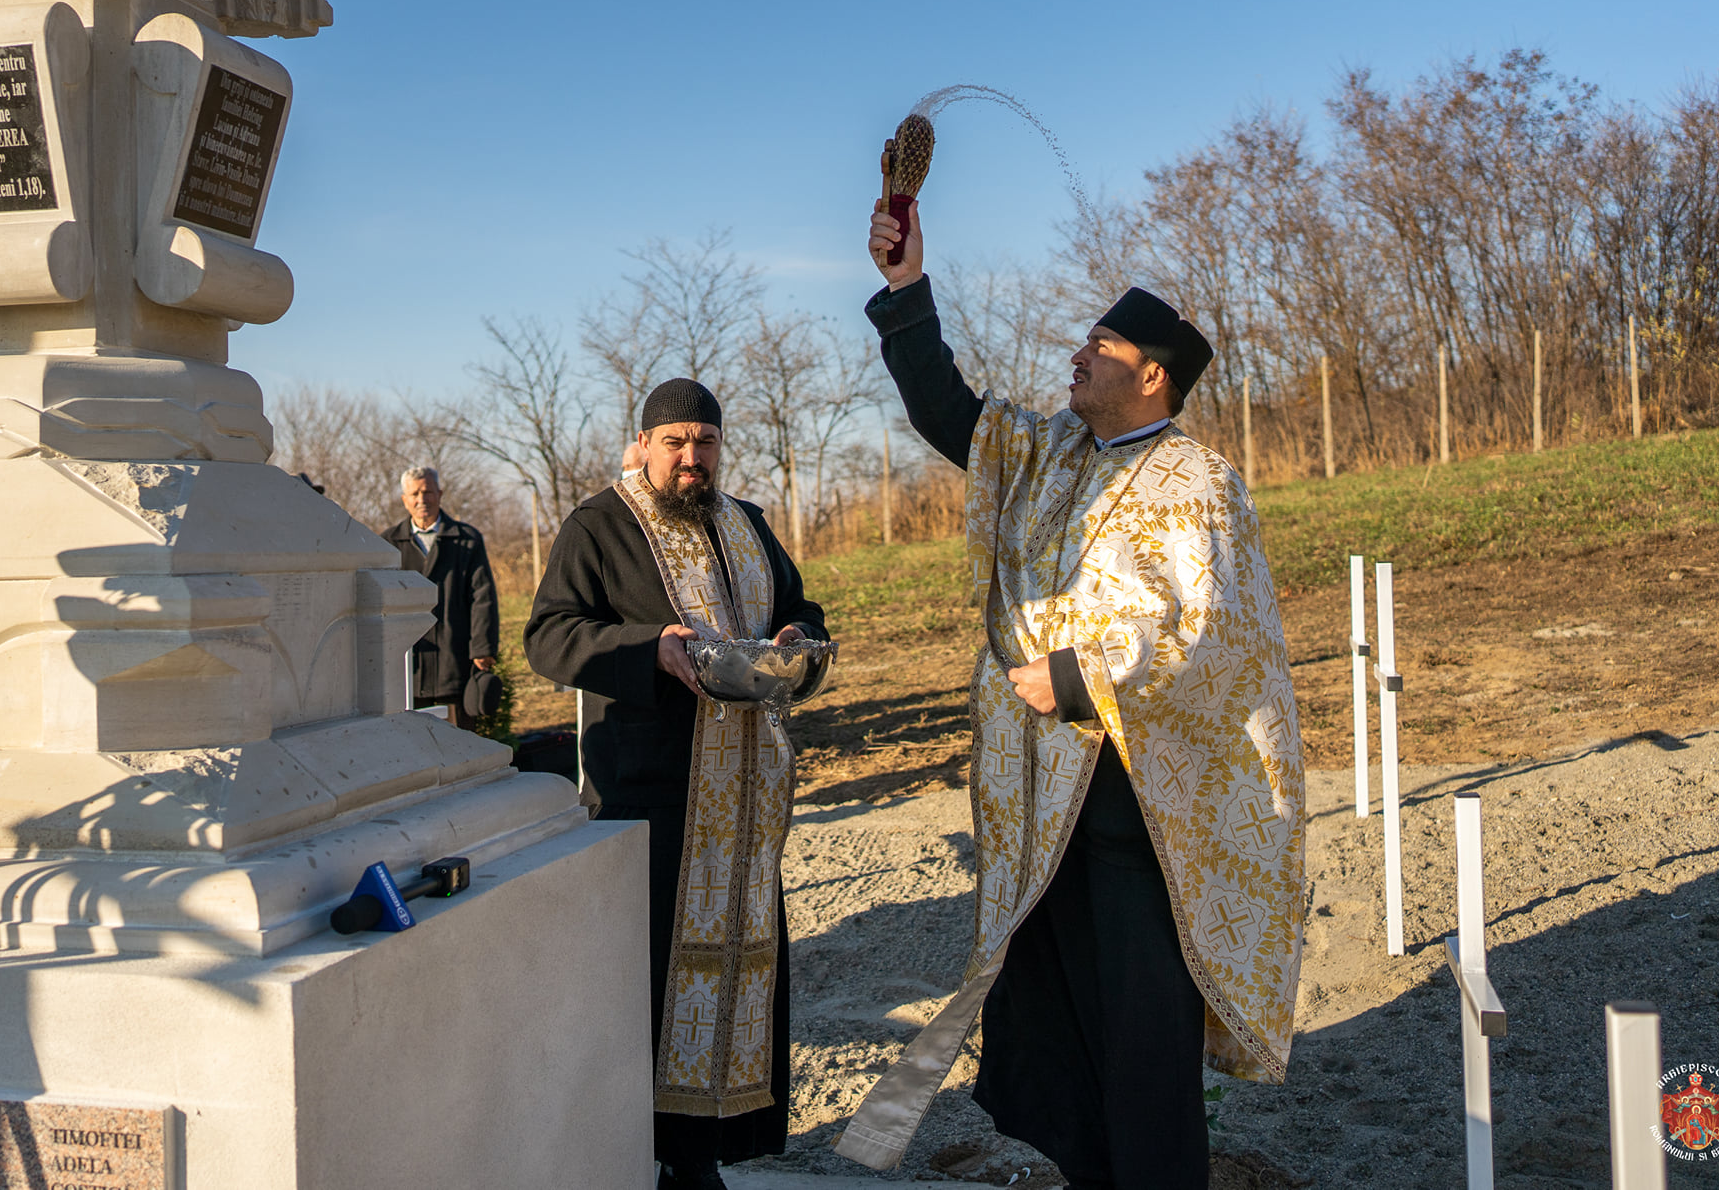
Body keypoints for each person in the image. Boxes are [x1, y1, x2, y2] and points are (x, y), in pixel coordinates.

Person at [834, 202, 1305, 1189]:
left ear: (1152, 374)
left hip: (1143, 817)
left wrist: (1080, 676)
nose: (1076, 356)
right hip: (1040, 812)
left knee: (1144, 1048)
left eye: (1100, 345)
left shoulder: (1200, 483)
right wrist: (905, 289)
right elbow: (948, 411)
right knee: (1059, 1036)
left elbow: (1214, 634)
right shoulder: (1046, 454)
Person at [524, 378, 828, 1190]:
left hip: (746, 796)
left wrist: (797, 636)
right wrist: (650, 649)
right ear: (644, 444)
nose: (691, 457)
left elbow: (802, 608)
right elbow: (549, 636)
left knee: (736, 977)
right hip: (650, 797)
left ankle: (701, 1161)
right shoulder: (599, 525)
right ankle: (638, 1156)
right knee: (650, 986)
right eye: (675, 442)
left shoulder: (747, 523)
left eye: (706, 442)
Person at [382, 466, 498, 730]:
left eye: (427, 492)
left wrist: (483, 648)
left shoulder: (467, 539)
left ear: (440, 494)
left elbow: (483, 596)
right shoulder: (389, 543)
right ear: (404, 500)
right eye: (414, 494)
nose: (421, 499)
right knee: (411, 737)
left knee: (459, 738)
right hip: (408, 663)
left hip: (454, 656)